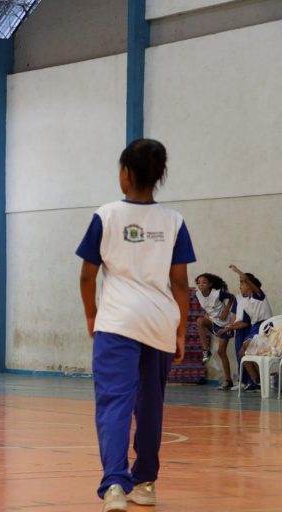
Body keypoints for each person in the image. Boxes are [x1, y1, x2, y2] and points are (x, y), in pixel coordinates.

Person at [76, 139, 195, 512]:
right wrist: (180, 330)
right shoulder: (174, 221)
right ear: (158, 176)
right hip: (160, 323)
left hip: (117, 323)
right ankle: (144, 484)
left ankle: (114, 485)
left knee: (114, 402)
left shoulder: (106, 215)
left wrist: (91, 314)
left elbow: (86, 275)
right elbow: (180, 284)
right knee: (149, 405)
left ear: (125, 173)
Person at [217, 266, 272, 390]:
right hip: (254, 327)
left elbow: (247, 279)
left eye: (243, 283)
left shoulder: (259, 295)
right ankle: (256, 382)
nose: (240, 286)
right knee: (242, 353)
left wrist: (238, 271)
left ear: (249, 285)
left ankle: (261, 379)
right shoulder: (246, 302)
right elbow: (244, 322)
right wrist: (227, 328)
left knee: (247, 349)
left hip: (264, 326)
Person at [194, 273, 234, 389]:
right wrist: (207, 314)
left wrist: (226, 311)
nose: (201, 285)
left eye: (204, 282)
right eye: (199, 283)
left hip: (224, 324)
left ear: (210, 284)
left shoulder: (217, 294)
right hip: (212, 321)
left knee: (221, 352)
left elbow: (232, 297)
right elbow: (208, 307)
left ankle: (228, 380)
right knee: (200, 321)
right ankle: (206, 350)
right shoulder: (198, 294)